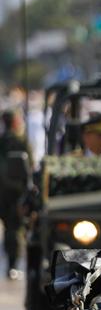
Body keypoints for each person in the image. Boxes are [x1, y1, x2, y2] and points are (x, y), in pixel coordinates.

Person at [0, 109, 32, 280]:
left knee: (10, 230)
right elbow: (30, 167)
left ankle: (12, 264)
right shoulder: (20, 141)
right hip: (15, 193)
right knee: (15, 230)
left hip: (7, 193)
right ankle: (13, 264)